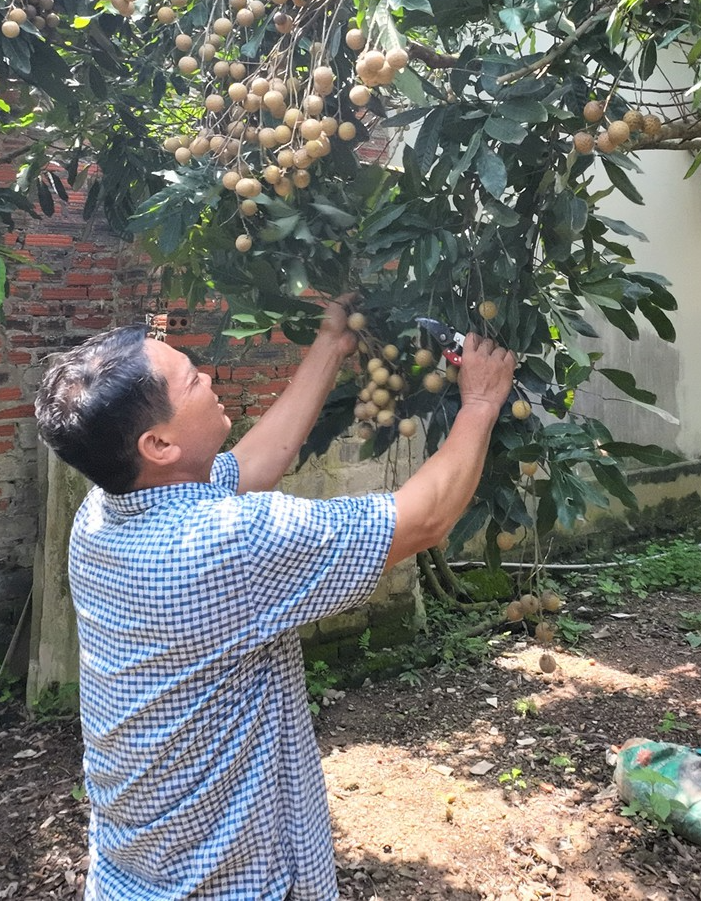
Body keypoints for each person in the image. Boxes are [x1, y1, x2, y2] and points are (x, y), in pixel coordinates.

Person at [33, 300, 516, 900]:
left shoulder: (104, 514)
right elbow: (423, 521)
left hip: (135, 870)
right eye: (191, 379)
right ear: (157, 442)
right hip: (230, 881)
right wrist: (480, 403)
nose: (208, 378)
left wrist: (331, 344)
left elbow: (252, 464)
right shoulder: (223, 543)